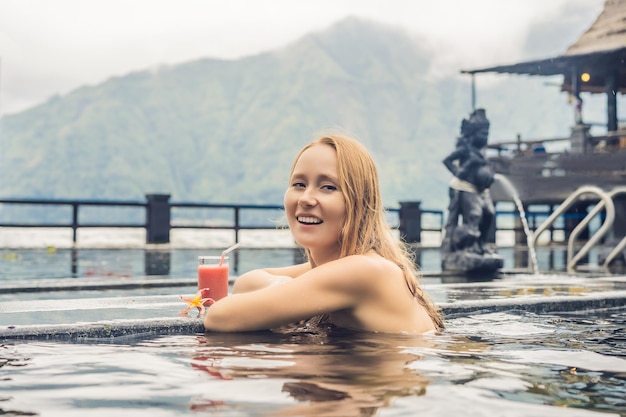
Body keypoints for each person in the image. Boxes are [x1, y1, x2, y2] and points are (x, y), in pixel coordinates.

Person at [204, 133, 444, 333]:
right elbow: (246, 282)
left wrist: (285, 294)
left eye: (328, 187)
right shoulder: (346, 264)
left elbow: (218, 317)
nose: (307, 198)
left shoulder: (363, 270)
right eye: (299, 184)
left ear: (359, 203)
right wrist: (283, 286)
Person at [441, 109, 496, 256]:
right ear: (473, 134)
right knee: (474, 215)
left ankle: (482, 243)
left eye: (487, 134)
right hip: (465, 187)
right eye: (482, 134)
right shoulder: (465, 148)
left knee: (489, 213)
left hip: (481, 190)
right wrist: (459, 172)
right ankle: (467, 246)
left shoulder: (481, 150)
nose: (485, 137)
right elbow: (446, 161)